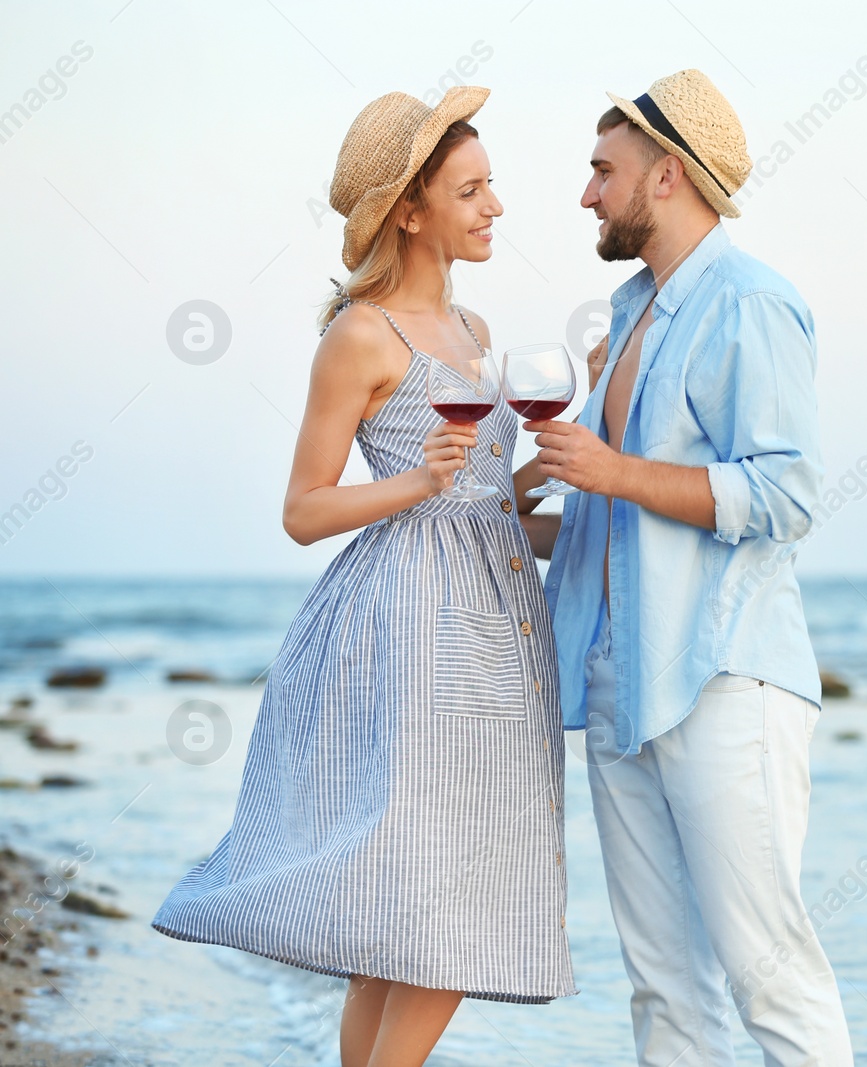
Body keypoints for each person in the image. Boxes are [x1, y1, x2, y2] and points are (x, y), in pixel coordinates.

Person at [151, 87, 574, 1067]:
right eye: (471, 190)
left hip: (499, 629)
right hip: (414, 628)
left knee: (400, 910)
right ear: (410, 210)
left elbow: (480, 503)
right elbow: (303, 508)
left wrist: (545, 486)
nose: (496, 206)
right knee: (446, 896)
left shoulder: (471, 330)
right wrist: (415, 485)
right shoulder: (361, 335)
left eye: (492, 186)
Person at [520, 69, 854, 1066]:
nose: (586, 194)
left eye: (601, 171)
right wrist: (496, 520)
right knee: (663, 985)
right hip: (618, 686)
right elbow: (614, 520)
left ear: (666, 174)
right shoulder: (627, 315)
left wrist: (615, 467)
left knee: (768, 970)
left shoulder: (752, 303)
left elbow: (787, 494)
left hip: (723, 679)